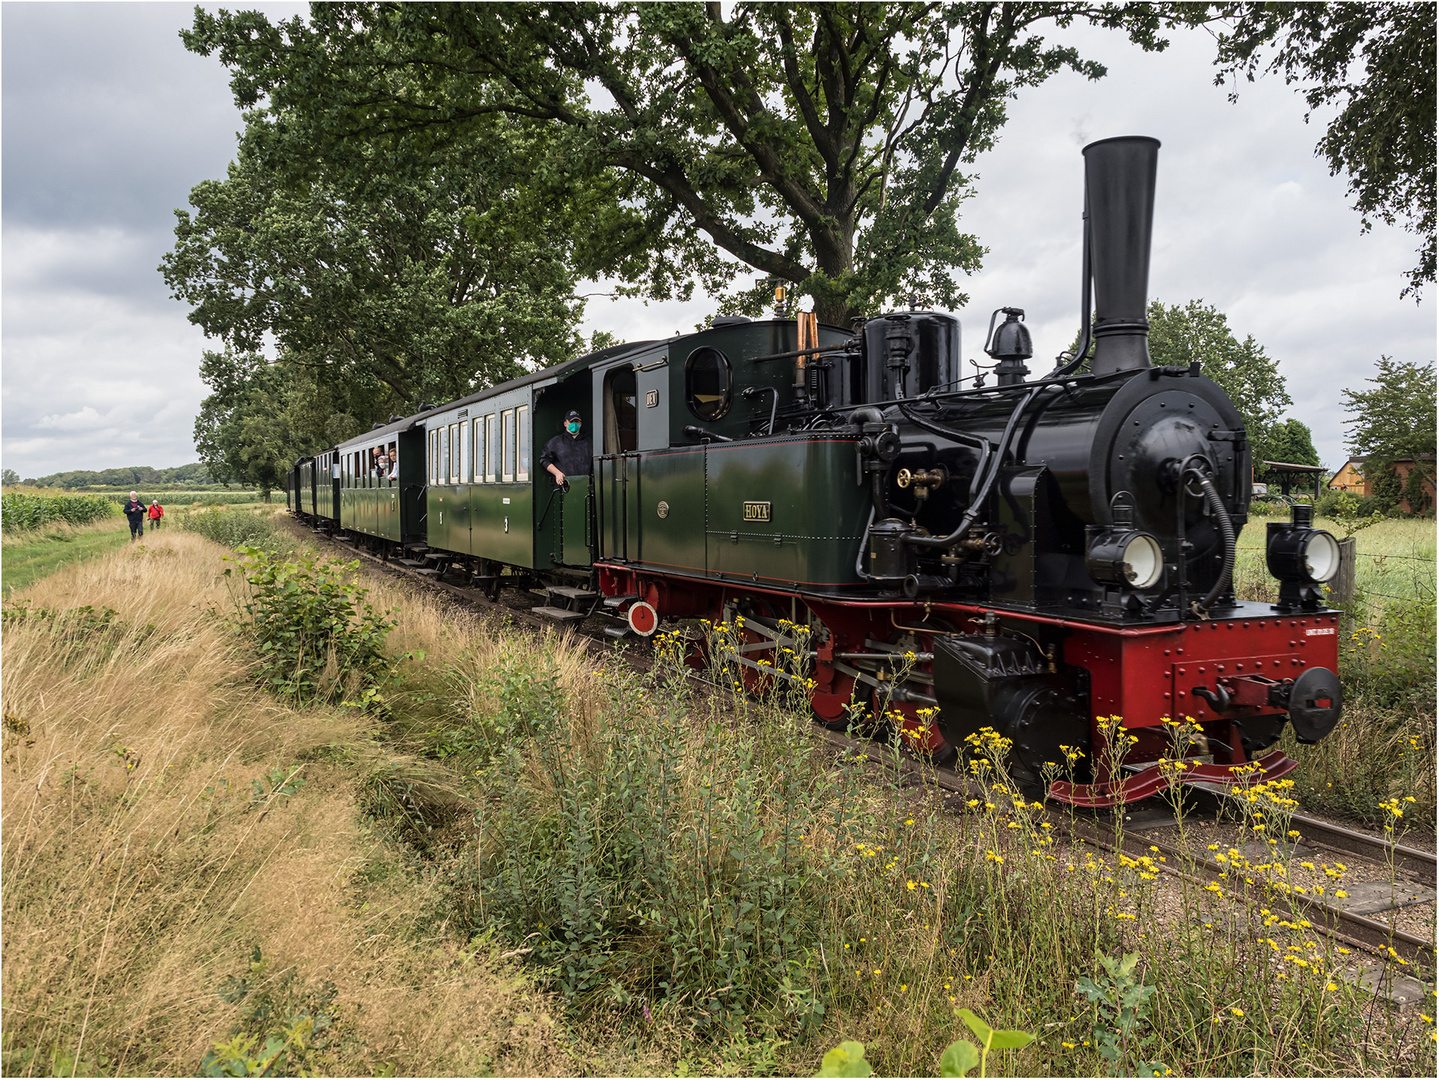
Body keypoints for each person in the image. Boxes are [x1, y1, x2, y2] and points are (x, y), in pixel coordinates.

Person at [541, 410, 592, 487]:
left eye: (577, 421)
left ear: (580, 424)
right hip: (565, 487)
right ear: (565, 423)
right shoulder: (556, 442)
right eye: (571, 421)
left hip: (586, 486)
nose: (574, 424)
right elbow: (544, 460)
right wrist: (557, 473)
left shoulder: (589, 442)